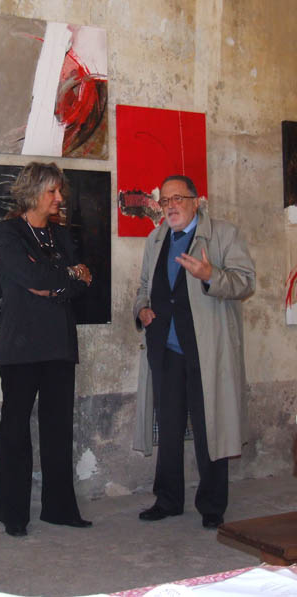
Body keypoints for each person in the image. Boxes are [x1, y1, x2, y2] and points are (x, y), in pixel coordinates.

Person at [133, 175, 256, 529]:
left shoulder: (223, 235)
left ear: (196, 201)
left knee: (209, 427)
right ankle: (168, 499)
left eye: (178, 198)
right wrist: (142, 309)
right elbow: (144, 286)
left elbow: (245, 282)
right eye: (165, 200)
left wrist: (210, 275)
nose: (170, 206)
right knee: (169, 428)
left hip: (207, 350)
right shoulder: (156, 238)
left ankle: (212, 505)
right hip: (166, 350)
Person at [0, 161, 93, 537]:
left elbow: (82, 282)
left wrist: (57, 282)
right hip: (20, 345)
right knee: (15, 429)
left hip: (59, 343)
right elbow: (29, 275)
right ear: (33, 192)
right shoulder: (8, 232)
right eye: (52, 191)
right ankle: (13, 513)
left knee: (58, 429)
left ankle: (59, 509)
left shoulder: (61, 235)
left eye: (59, 191)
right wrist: (65, 276)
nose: (59, 198)